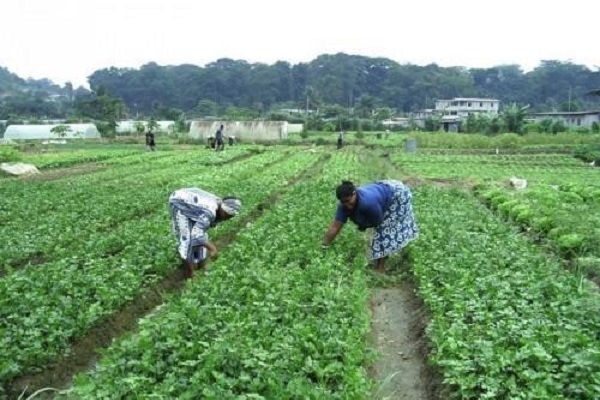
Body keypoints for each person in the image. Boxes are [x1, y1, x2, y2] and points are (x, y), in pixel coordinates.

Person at [322, 180, 418, 273]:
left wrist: (362, 225)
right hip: (383, 188)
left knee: (385, 230)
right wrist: (324, 245)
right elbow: (335, 227)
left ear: (354, 194)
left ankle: (381, 268)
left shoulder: (368, 203)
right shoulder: (343, 206)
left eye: (348, 201)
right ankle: (379, 258)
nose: (347, 205)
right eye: (343, 202)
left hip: (397, 194)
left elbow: (378, 222)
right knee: (378, 230)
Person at [168, 188, 242, 279]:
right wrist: (212, 248)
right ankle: (190, 277)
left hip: (190, 203)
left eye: (230, 217)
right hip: (179, 203)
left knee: (201, 237)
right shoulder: (210, 211)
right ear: (222, 209)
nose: (227, 219)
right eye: (226, 216)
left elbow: (200, 233)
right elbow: (197, 234)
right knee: (187, 241)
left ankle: (201, 267)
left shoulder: (219, 206)